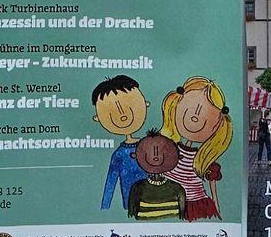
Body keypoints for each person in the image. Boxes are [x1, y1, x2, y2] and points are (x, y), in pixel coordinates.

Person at [161, 77, 234, 221]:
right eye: (188, 108)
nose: (194, 117)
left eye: (205, 113)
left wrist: (217, 209)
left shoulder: (203, 159)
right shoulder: (168, 149)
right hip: (168, 202)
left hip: (193, 205)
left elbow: (213, 188)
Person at [91, 75, 150, 212]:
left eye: (131, 105)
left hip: (157, 201)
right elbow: (110, 182)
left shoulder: (151, 144)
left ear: (145, 103)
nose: (123, 114)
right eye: (110, 111)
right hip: (131, 206)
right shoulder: (119, 154)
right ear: (98, 118)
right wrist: (105, 207)